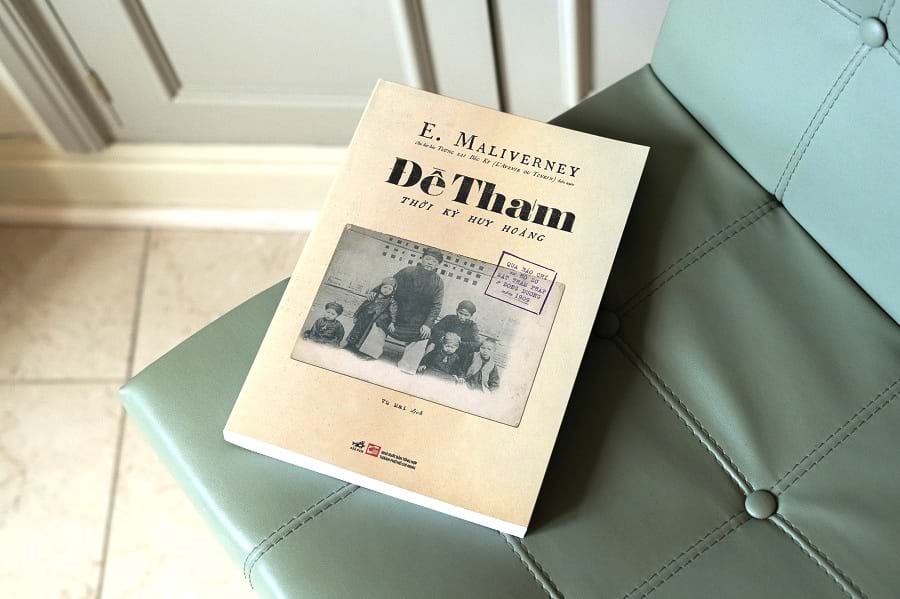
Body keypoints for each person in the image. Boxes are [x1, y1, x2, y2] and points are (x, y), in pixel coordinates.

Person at [369, 247, 445, 343]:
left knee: (425, 333)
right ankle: (374, 347)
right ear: (422, 259)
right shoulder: (407, 271)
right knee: (379, 319)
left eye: (434, 261)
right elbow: (391, 283)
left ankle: (409, 353)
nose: (430, 263)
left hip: (415, 322)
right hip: (395, 315)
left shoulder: (438, 282)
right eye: (427, 259)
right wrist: (376, 291)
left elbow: (436, 306)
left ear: (437, 265)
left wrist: (428, 324)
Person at [345, 277, 397, 358]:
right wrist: (356, 315)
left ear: (393, 291)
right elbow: (363, 305)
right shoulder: (374, 296)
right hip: (363, 317)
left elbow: (393, 312)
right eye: (385, 287)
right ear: (380, 287)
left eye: (390, 289)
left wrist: (393, 322)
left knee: (364, 334)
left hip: (372, 320)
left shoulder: (391, 301)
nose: (386, 290)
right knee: (356, 331)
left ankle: (356, 348)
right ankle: (349, 345)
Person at [429, 300, 480, 371]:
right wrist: (445, 336)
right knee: (432, 343)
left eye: (466, 315)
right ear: (456, 311)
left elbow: (477, 344)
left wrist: (460, 342)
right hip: (442, 349)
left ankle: (457, 373)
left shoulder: (472, 326)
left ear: (471, 316)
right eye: (460, 313)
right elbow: (436, 328)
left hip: (458, 356)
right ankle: (425, 363)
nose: (462, 317)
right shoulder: (449, 318)